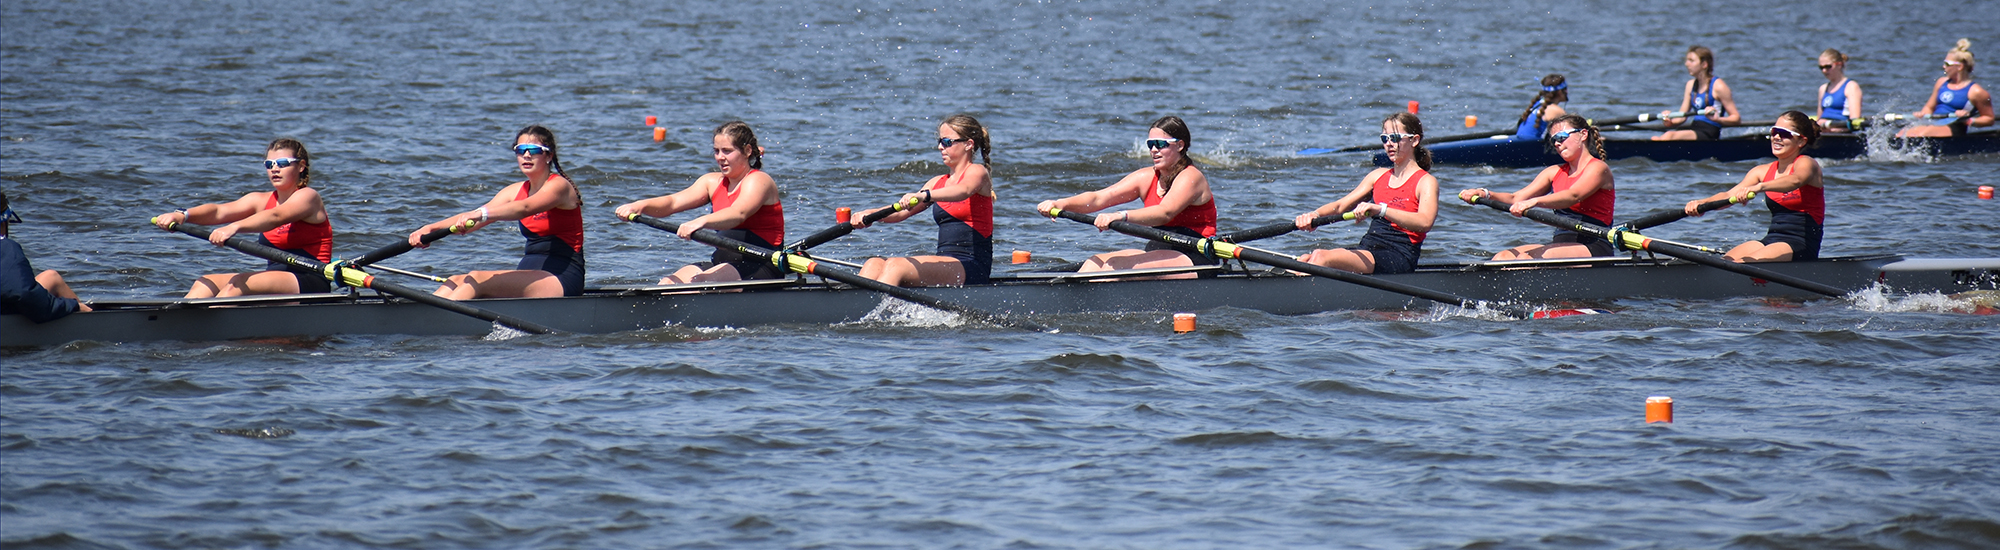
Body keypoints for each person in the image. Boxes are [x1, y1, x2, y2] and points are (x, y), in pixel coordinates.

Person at [409, 125, 585, 298]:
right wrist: (430, 228)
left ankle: (433, 322)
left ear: (549, 155)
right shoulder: (514, 191)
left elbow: (525, 208)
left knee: (476, 278)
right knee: (455, 281)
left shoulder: (559, 186)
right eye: (521, 149)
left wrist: (481, 214)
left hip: (562, 277)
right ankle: (420, 317)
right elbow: (472, 222)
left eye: (534, 150)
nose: (526, 155)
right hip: (529, 273)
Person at [1035, 116, 1217, 279]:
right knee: (1094, 262)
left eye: (1161, 144)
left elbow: (1165, 213)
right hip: (1160, 249)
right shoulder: (1146, 177)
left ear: (1180, 145)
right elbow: (1099, 198)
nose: (1154, 150)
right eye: (1150, 144)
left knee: (1116, 267)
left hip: (1195, 255)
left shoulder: (1190, 177)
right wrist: (1060, 203)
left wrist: (1120, 216)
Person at [152, 138, 334, 298]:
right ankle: (184, 327)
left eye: (282, 163)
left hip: (311, 280)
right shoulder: (260, 200)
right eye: (269, 164)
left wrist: (234, 228)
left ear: (301, 166)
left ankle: (212, 330)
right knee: (206, 281)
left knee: (237, 284)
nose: (275, 169)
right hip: (274, 277)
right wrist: (182, 215)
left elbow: (276, 216)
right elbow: (219, 211)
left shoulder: (308, 197)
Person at [613, 121, 784, 284]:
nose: (720, 157)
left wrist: (700, 222)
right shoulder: (711, 182)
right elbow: (672, 202)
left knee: (701, 283)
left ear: (747, 151)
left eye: (727, 151)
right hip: (722, 264)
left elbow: (738, 213)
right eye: (716, 151)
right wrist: (639, 206)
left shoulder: (759, 180)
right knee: (668, 283)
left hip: (762, 265)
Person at [852, 114, 996, 287]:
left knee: (895, 266)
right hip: (945, 263)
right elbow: (901, 213)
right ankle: (853, 308)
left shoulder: (977, 172)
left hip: (972, 265)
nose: (940, 147)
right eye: (940, 142)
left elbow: (963, 191)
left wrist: (925, 195)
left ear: (968, 144)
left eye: (947, 142)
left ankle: (871, 310)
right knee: (873, 263)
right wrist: (869, 214)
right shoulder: (936, 183)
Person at [1294, 113, 1439, 275]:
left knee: (1320, 257)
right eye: (1385, 138)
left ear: (1414, 140)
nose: (1389, 144)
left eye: (1395, 138)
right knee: (1305, 259)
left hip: (1399, 255)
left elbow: (1425, 222)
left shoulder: (1426, 181)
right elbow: (1341, 205)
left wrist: (1381, 210)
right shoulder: (1377, 176)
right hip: (1368, 248)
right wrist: (1314, 215)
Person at [1458, 114, 1616, 260]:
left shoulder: (1598, 168)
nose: (1557, 143)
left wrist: (1534, 202)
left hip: (1594, 245)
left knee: (1526, 259)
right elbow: (1516, 198)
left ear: (1583, 134)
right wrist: (1484, 193)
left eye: (1562, 137)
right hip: (1561, 243)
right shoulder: (1553, 172)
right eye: (1553, 140)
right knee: (1502, 257)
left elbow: (1573, 195)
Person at [1682, 111, 1826, 263]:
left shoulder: (1806, 163)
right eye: (1774, 131)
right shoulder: (1761, 171)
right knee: (1722, 264)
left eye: (1784, 133)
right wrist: (1702, 203)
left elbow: (1796, 180)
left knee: (1742, 265)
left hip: (1800, 244)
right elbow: (1728, 196)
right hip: (1771, 240)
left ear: (1801, 141)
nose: (1776, 137)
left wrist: (1758, 187)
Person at [1, 191, 90, 322]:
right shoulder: (6, 247)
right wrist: (72, 305)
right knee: (53, 278)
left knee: (49, 277)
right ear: (3, 223)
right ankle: (87, 320)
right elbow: (24, 294)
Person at [1900, 39, 1993, 138]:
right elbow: (1929, 107)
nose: (1944, 67)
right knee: (1902, 134)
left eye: (1947, 64)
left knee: (1921, 135)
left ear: (1960, 67)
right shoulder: (1941, 82)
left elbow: (1989, 119)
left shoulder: (1976, 92)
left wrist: (1969, 120)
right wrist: (1922, 115)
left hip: (1954, 127)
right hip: (1933, 122)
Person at [1654, 45, 1741, 141]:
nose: (1687, 64)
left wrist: (1717, 119)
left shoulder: (1719, 86)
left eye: (1691, 61)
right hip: (1695, 127)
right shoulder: (1690, 85)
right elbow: (1682, 117)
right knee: (1659, 137)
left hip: (1709, 131)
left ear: (1704, 64)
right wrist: (1669, 121)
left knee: (1669, 136)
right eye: (1687, 60)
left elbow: (1736, 118)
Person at [1815, 49, 1863, 133]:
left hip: (1841, 133)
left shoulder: (1851, 86)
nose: (1824, 71)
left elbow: (1855, 121)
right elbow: (1819, 119)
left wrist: (1834, 129)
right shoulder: (1823, 89)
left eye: (1828, 67)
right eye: (1821, 67)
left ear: (1839, 65)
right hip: (1824, 132)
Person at [1513, 74, 1570, 140]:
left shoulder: (1537, 104)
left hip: (1520, 143)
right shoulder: (1555, 110)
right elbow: (1571, 134)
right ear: (1560, 92)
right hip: (1532, 147)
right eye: (1565, 89)